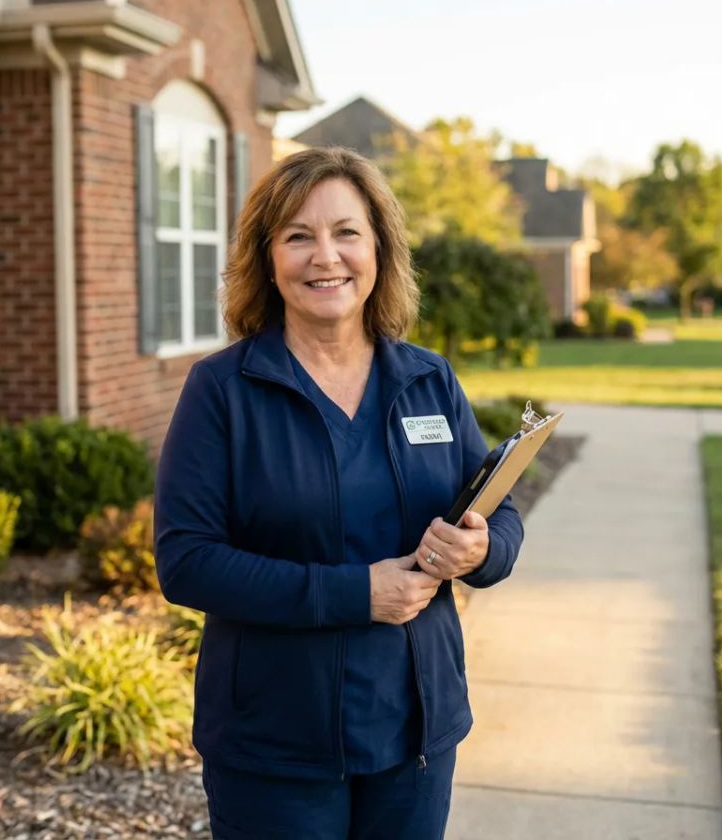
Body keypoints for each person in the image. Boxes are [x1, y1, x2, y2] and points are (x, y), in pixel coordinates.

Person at [154, 147, 524, 839]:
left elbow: (497, 513)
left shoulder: (428, 380)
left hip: (415, 732)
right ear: (268, 259)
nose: (326, 256)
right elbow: (187, 561)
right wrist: (356, 594)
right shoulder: (223, 391)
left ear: (378, 248)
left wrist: (479, 550)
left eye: (346, 232)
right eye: (299, 236)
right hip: (276, 742)